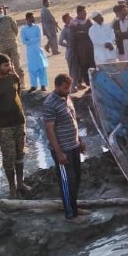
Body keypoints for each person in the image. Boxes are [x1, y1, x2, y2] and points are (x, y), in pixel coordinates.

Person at [43, 74, 89, 222]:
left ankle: (74, 207)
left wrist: (79, 141)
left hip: (73, 145)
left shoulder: (66, 98)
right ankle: (70, 215)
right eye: (65, 88)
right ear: (57, 86)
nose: (68, 90)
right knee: (67, 182)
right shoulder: (50, 104)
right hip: (62, 150)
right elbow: (49, 131)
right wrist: (59, 153)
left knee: (76, 179)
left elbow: (72, 121)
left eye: (69, 87)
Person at [0, 54, 30, 199]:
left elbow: (18, 94)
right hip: (4, 126)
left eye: (9, 64)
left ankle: (20, 183)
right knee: (9, 156)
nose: (9, 67)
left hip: (19, 121)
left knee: (20, 153)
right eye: (5, 65)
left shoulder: (13, 77)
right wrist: (3, 109)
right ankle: (12, 188)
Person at [0, 5, 25, 83]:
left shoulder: (9, 19)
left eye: (1, 11)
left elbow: (15, 30)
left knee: (16, 63)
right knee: (5, 65)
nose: (0, 13)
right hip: (2, 47)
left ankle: (22, 79)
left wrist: (11, 38)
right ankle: (12, 81)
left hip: (12, 45)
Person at [21, 12, 49, 92]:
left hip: (38, 50)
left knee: (42, 67)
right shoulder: (23, 29)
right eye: (31, 18)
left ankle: (43, 85)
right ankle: (34, 85)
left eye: (33, 17)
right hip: (30, 52)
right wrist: (32, 40)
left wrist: (30, 40)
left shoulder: (37, 27)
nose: (33, 19)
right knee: (32, 69)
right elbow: (24, 41)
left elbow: (39, 38)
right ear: (27, 19)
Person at [69, 5, 95, 89]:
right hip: (80, 49)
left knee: (92, 65)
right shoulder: (73, 23)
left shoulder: (88, 21)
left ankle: (93, 84)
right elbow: (73, 36)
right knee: (83, 66)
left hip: (89, 47)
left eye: (85, 12)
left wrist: (83, 33)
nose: (85, 13)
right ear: (79, 13)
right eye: (83, 12)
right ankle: (88, 84)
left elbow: (92, 31)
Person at [57, 13, 80, 91]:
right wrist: (69, 45)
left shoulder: (73, 27)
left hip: (76, 51)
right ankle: (72, 87)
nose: (71, 18)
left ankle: (77, 84)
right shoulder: (65, 30)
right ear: (65, 21)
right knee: (72, 71)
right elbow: (60, 42)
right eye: (69, 18)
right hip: (70, 53)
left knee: (78, 69)